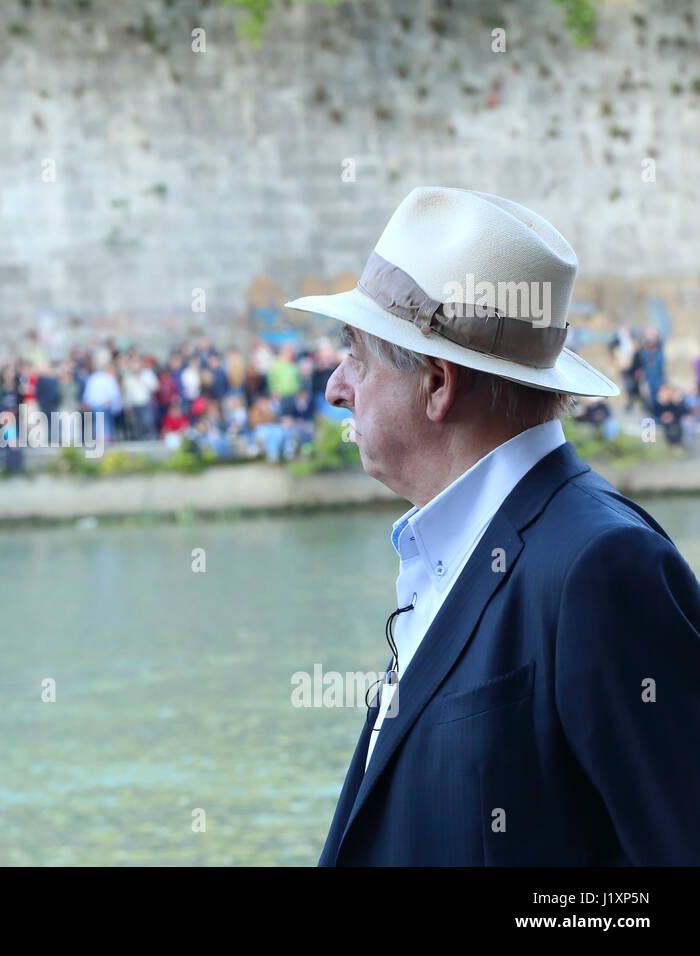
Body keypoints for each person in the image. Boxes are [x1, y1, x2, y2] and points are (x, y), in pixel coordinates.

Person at [286, 186, 700, 865]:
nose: (335, 386)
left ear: (438, 385)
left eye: (354, 352)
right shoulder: (459, 548)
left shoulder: (602, 566)